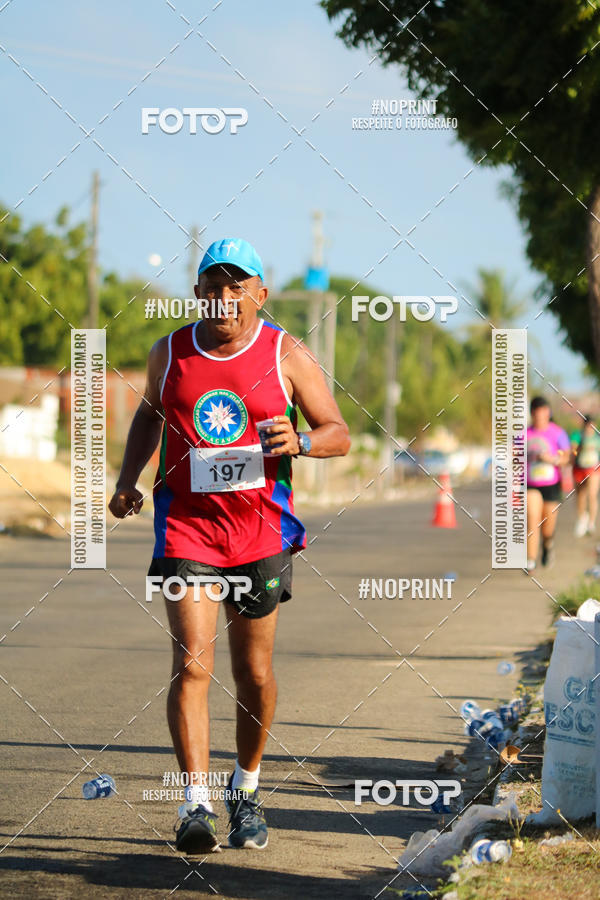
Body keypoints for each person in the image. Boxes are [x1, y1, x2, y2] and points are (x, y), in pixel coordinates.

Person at [109, 238, 350, 854]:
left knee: (254, 673)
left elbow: (338, 432)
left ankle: (245, 786)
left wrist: (301, 442)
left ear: (259, 295)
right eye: (213, 286)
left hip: (260, 531)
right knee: (193, 662)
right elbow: (149, 415)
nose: (223, 297)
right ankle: (195, 803)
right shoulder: (170, 351)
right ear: (197, 294)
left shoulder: (285, 352)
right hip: (186, 527)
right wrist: (127, 479)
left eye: (235, 286)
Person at [526, 396, 570, 571]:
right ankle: (530, 559)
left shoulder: (557, 433)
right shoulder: (524, 434)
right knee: (532, 517)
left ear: (548, 413)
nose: (539, 417)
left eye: (543, 413)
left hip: (551, 484)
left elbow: (567, 457)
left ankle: (547, 545)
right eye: (536, 413)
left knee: (547, 528)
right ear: (532, 414)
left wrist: (552, 460)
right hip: (531, 484)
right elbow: (514, 457)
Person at [570, 414, 600, 537]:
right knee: (581, 495)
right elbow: (573, 451)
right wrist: (579, 449)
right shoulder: (577, 435)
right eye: (588, 426)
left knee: (592, 495)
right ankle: (582, 518)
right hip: (579, 468)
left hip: (593, 469)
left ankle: (591, 523)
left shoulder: (597, 437)